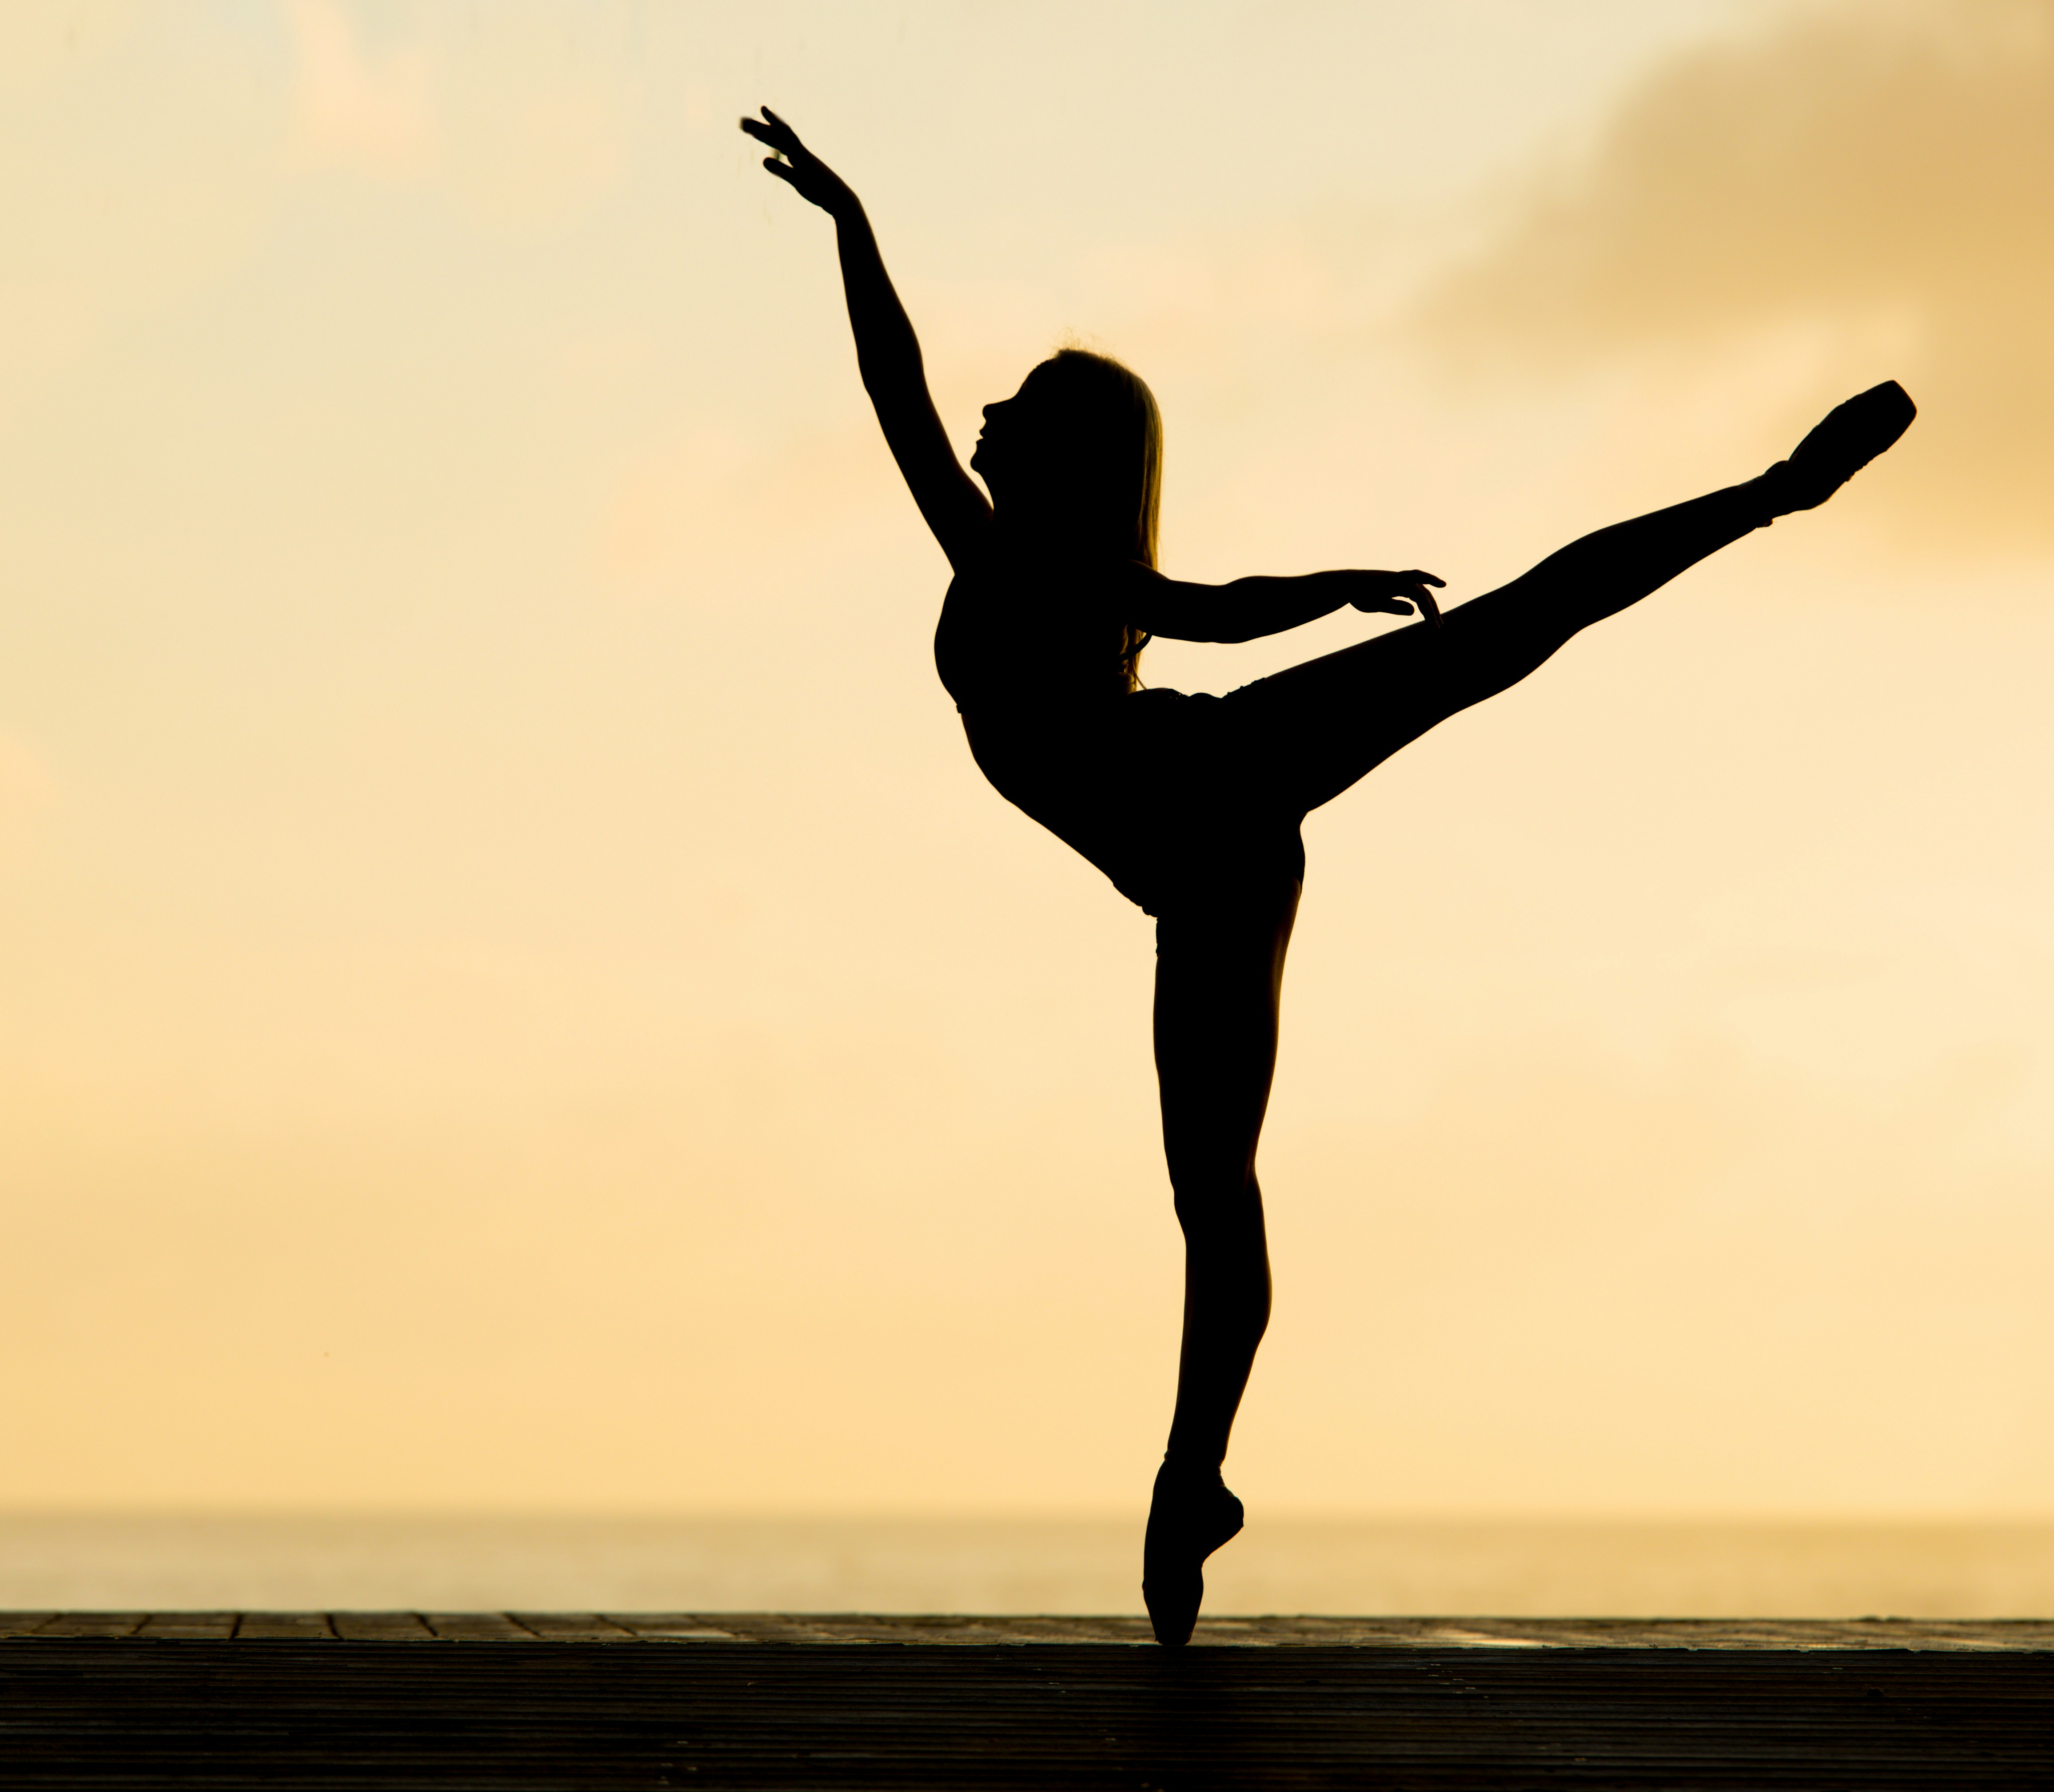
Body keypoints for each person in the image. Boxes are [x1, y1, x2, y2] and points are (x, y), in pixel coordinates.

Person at [743, 108, 1915, 1645]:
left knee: (1501, 636)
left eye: (1020, 403)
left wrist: (1327, 595)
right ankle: (1194, 1482)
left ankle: (1775, 489)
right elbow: (894, 381)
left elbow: (1201, 605)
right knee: (1213, 1196)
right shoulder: (991, 551)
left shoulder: (1059, 573)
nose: (983, 411)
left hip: (1213, 781)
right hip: (1204, 870)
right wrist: (852, 223)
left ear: (1067, 461)